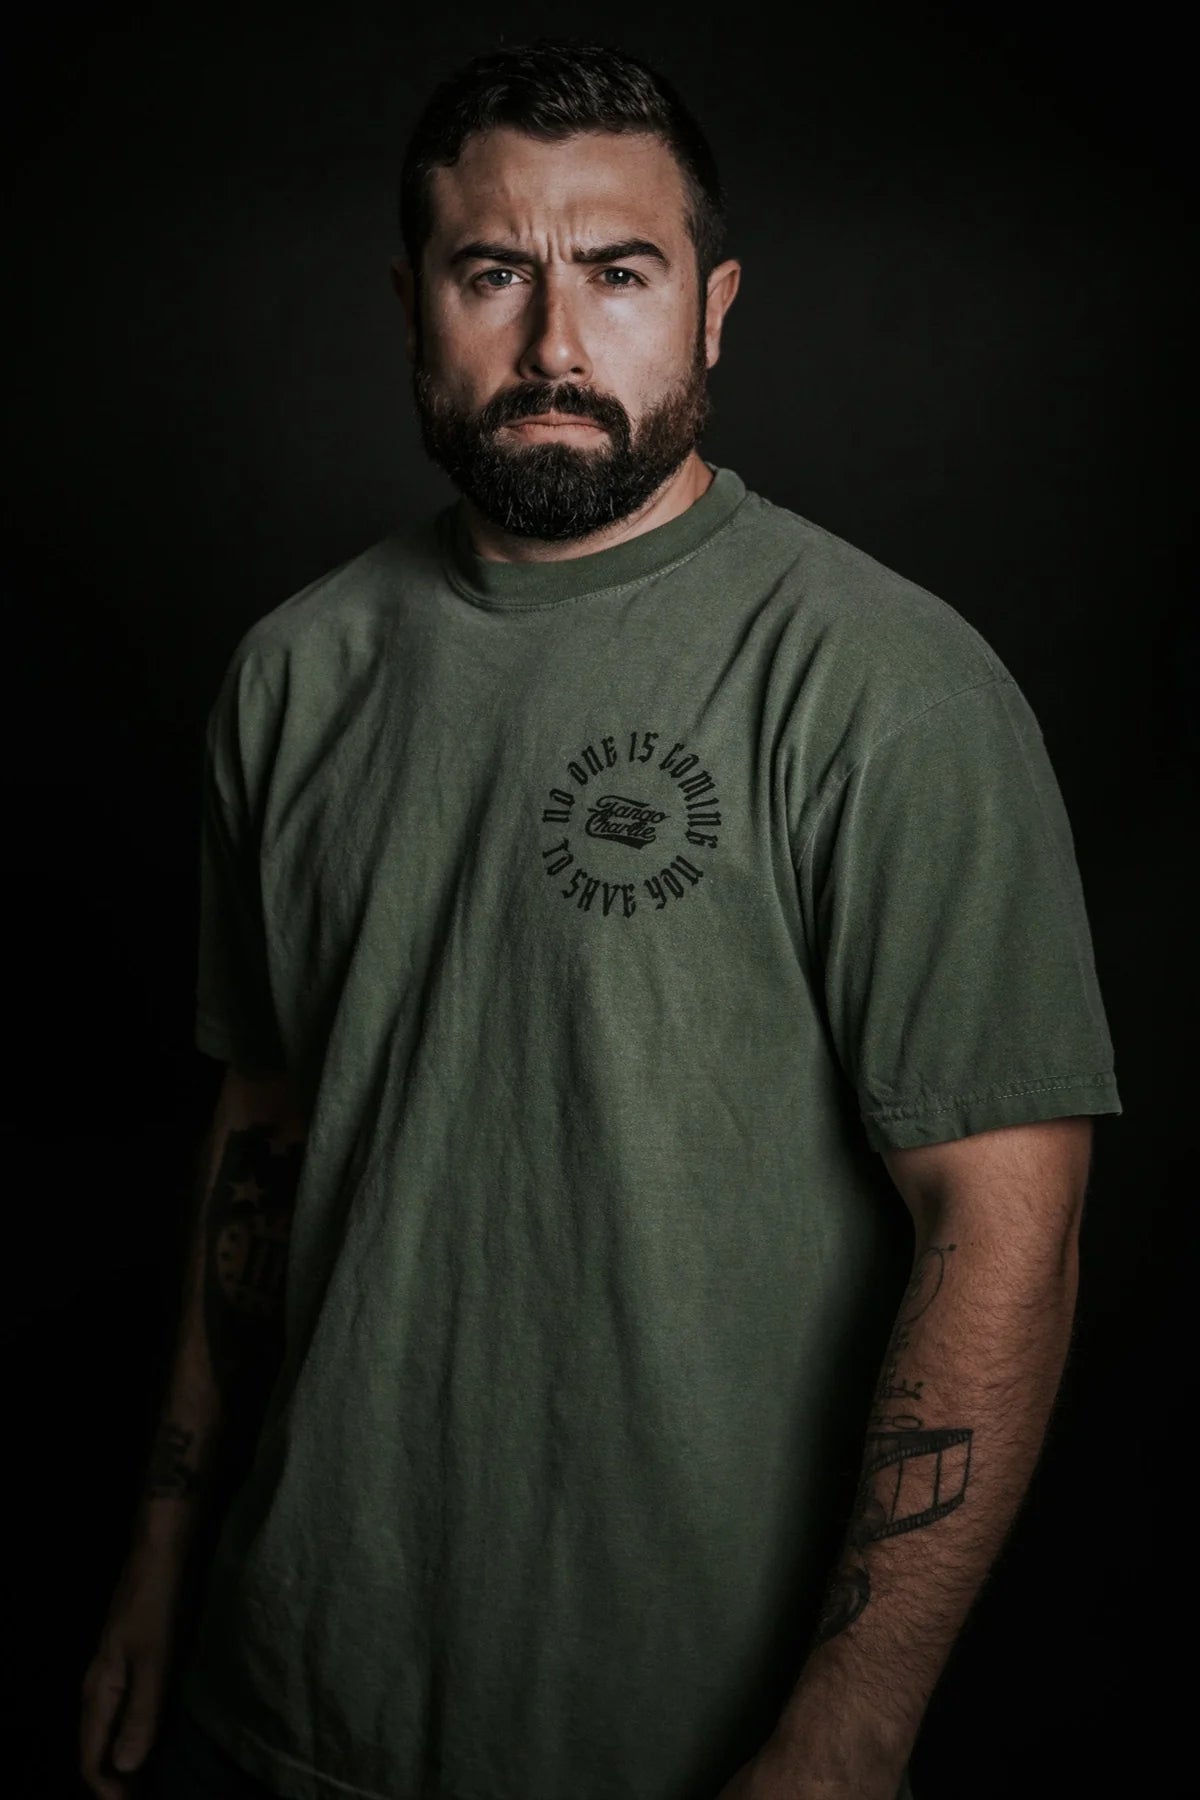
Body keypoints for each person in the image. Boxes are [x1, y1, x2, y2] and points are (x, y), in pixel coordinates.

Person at [79, 35, 1122, 1800]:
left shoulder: (883, 683)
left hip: (678, 1746)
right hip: (284, 1700)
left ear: (713, 309)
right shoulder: (291, 675)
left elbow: (1007, 1228)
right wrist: (163, 1566)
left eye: (619, 274)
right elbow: (260, 1146)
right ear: (412, 299)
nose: (558, 343)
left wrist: (855, 1725)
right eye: (496, 272)